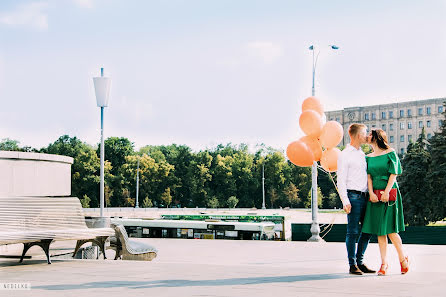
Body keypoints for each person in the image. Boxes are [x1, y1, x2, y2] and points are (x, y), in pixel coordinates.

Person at [362, 129, 409, 276]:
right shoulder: (368, 157)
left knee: (391, 231)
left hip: (389, 194)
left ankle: (403, 259)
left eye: (370, 134)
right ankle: (384, 263)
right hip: (374, 194)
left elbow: (393, 174)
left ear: (376, 137)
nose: (367, 136)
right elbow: (368, 177)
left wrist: (387, 192)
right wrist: (370, 193)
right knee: (380, 232)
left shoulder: (390, 152)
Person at [337, 123, 375, 275]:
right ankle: (352, 264)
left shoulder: (361, 154)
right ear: (358, 135)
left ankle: (360, 261)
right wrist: (345, 201)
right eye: (365, 133)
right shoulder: (345, 154)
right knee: (352, 232)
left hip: (365, 197)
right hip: (353, 197)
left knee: (367, 231)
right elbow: (340, 180)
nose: (366, 136)